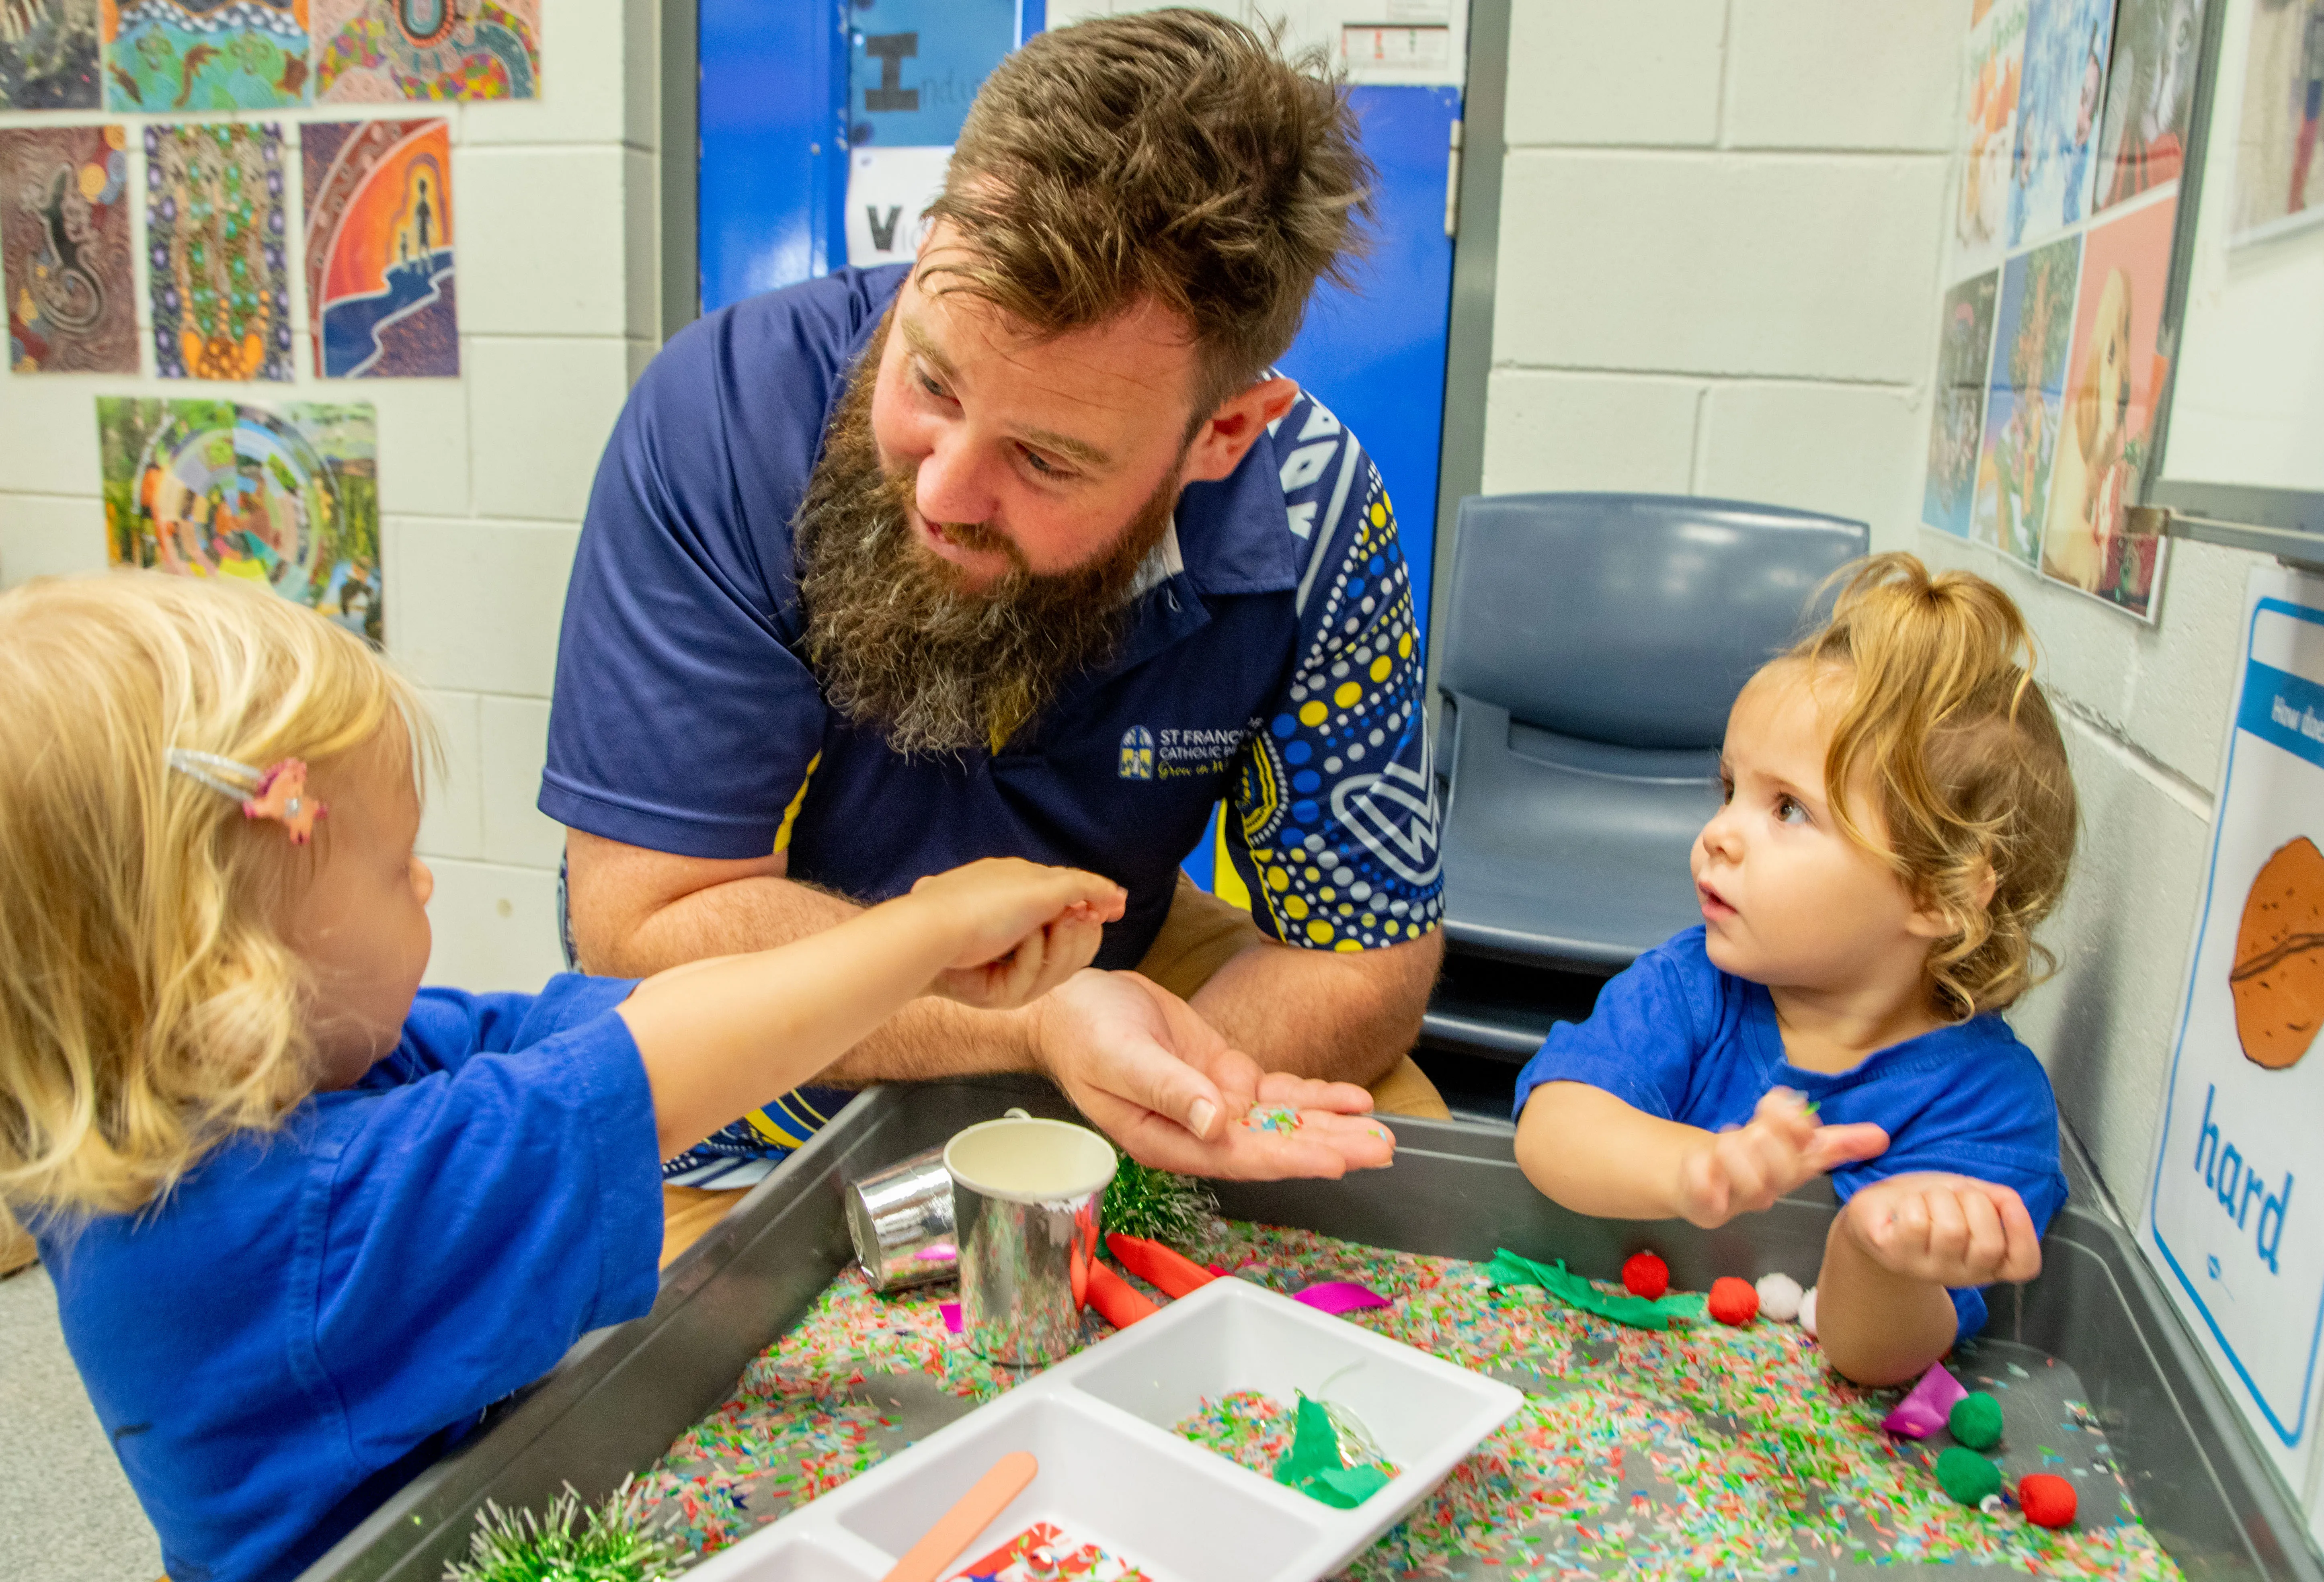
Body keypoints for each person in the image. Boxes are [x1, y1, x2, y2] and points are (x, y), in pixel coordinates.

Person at [0, 573, 1373, 1582]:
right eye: (393, 864)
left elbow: (628, 1019)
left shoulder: (309, 1073)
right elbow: (646, 1071)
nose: (426, 884)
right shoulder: (267, 1233)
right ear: (231, 968)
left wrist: (1016, 1003)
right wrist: (925, 931)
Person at [544, 11, 1446, 1222]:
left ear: (1223, 436)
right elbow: (644, 923)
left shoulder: (1311, 509)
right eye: (932, 379)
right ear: (927, 246)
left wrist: (1146, 1100)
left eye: (1046, 458)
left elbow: (1366, 953)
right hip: (735, 1117)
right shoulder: (721, 416)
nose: (942, 491)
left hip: (1098, 1046)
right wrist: (1035, 1026)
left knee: (1392, 1143)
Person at [1510, 555, 2080, 1386]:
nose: (1718, 833)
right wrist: (1694, 1171)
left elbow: (1874, 1359)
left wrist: (1877, 1255)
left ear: (1939, 893)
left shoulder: (1990, 1108)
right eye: (1729, 789)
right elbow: (1550, 1128)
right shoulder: (1692, 988)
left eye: (1787, 809)